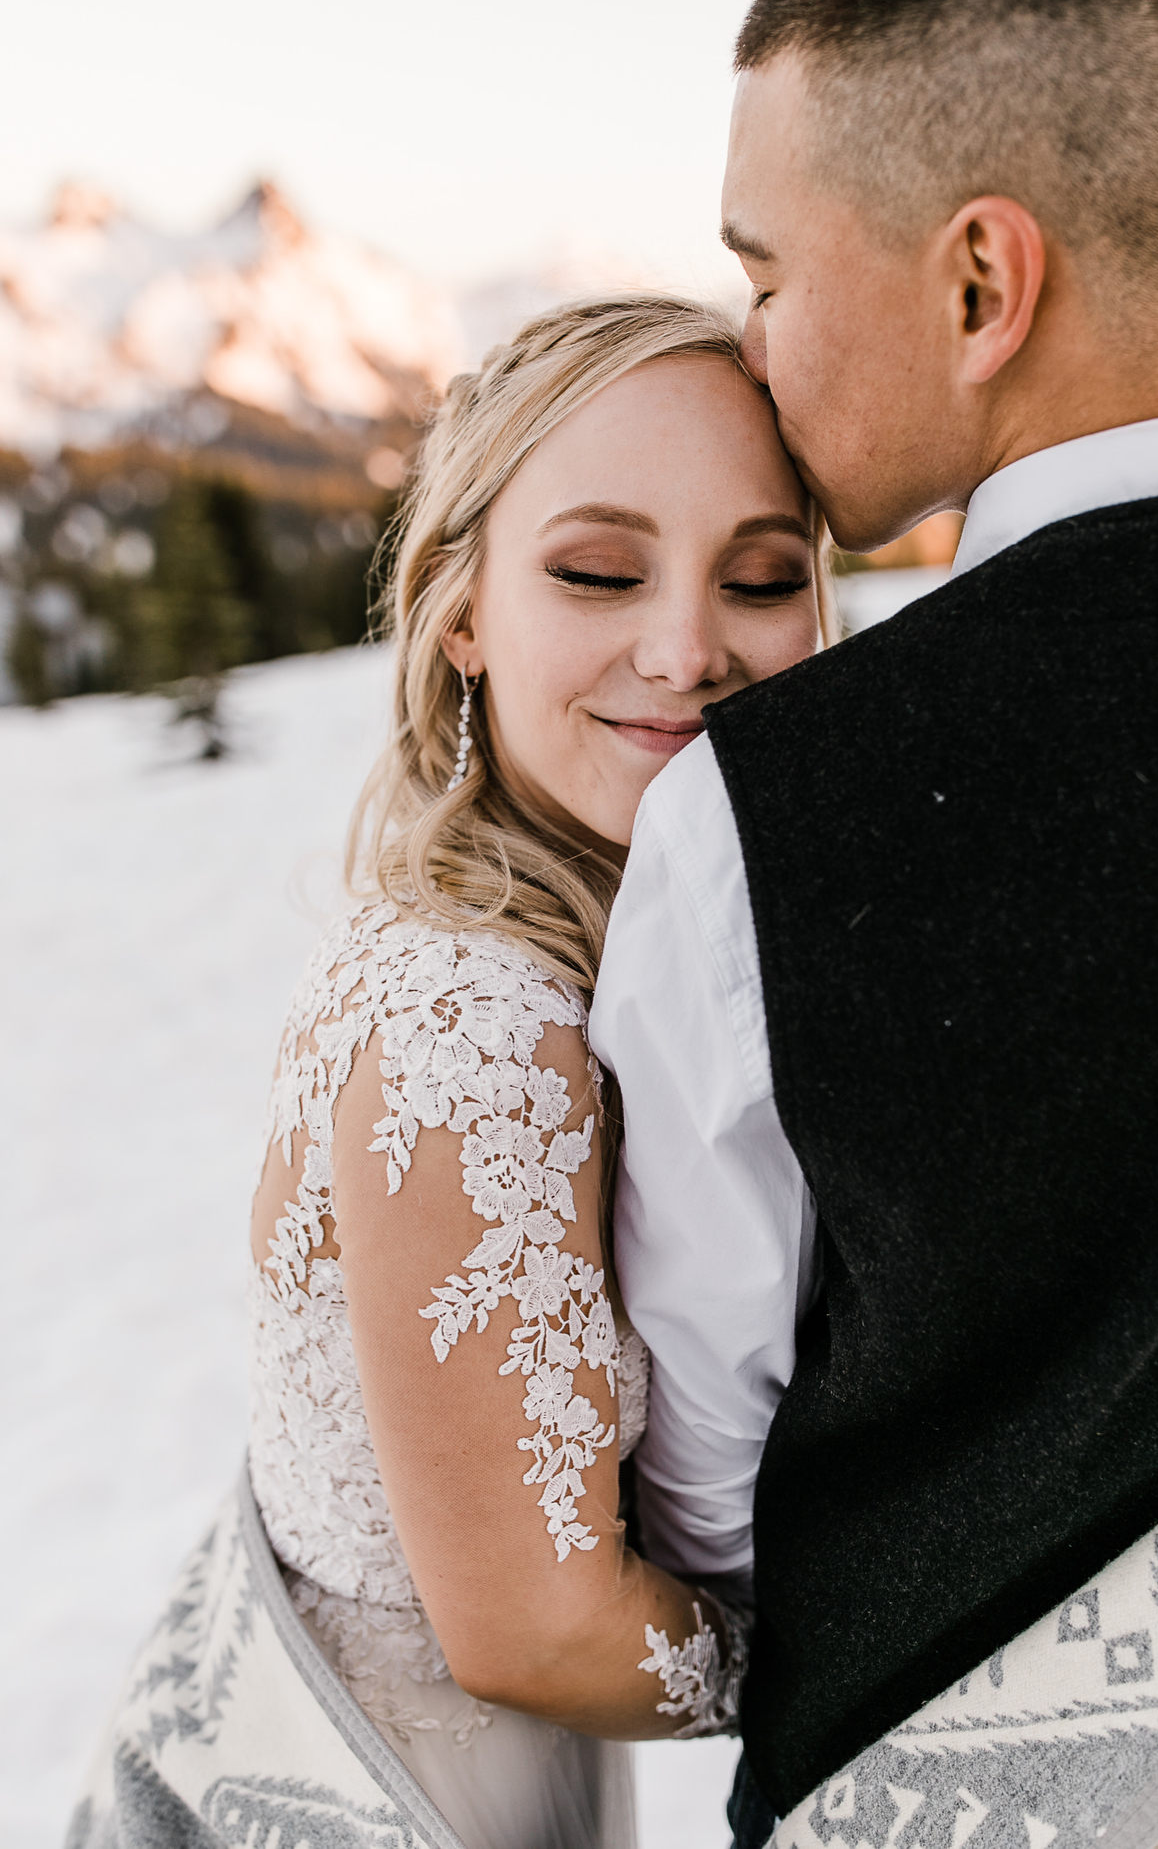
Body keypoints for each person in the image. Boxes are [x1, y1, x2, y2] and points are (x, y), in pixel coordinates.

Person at [583, 0, 1158, 1844]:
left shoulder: (768, 805)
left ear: (980, 288)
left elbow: (700, 1488)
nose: (753, 334)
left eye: (770, 271)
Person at [69, 294, 830, 1847]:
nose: (689, 646)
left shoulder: (580, 943)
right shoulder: (474, 1023)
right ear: (461, 608)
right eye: (599, 571)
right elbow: (535, 1631)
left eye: (761, 577)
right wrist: (911, 1657)